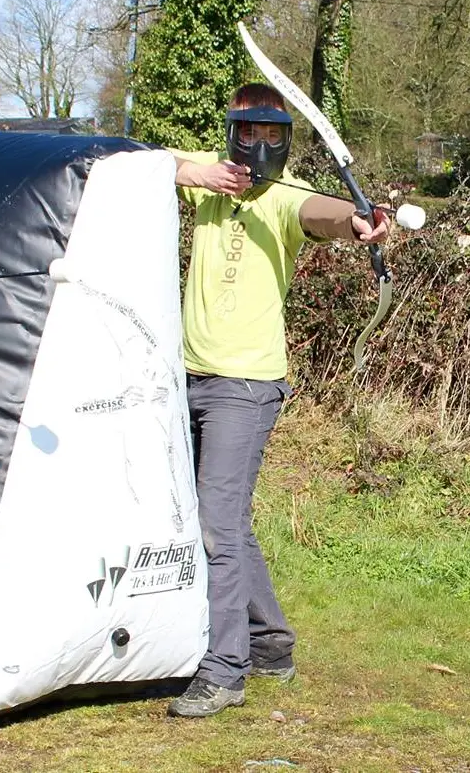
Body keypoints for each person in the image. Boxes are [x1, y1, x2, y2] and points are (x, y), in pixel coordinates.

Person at [166, 84, 389, 717]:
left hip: (245, 386)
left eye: (273, 135)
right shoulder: (208, 181)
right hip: (188, 377)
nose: (260, 146)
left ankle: (224, 670)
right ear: (232, 131)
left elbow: (323, 212)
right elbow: (136, 160)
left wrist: (359, 220)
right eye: (249, 132)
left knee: (216, 524)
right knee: (228, 522)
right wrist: (196, 173)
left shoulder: (285, 197)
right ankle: (269, 644)